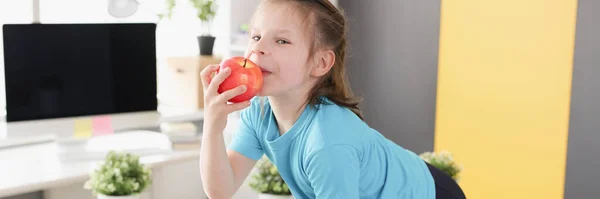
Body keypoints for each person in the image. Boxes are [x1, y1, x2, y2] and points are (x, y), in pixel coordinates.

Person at [199, 0, 466, 198]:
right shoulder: (259, 113)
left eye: (281, 41)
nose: (257, 48)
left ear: (320, 62)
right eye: (256, 36)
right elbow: (220, 190)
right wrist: (213, 124)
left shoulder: (326, 141)